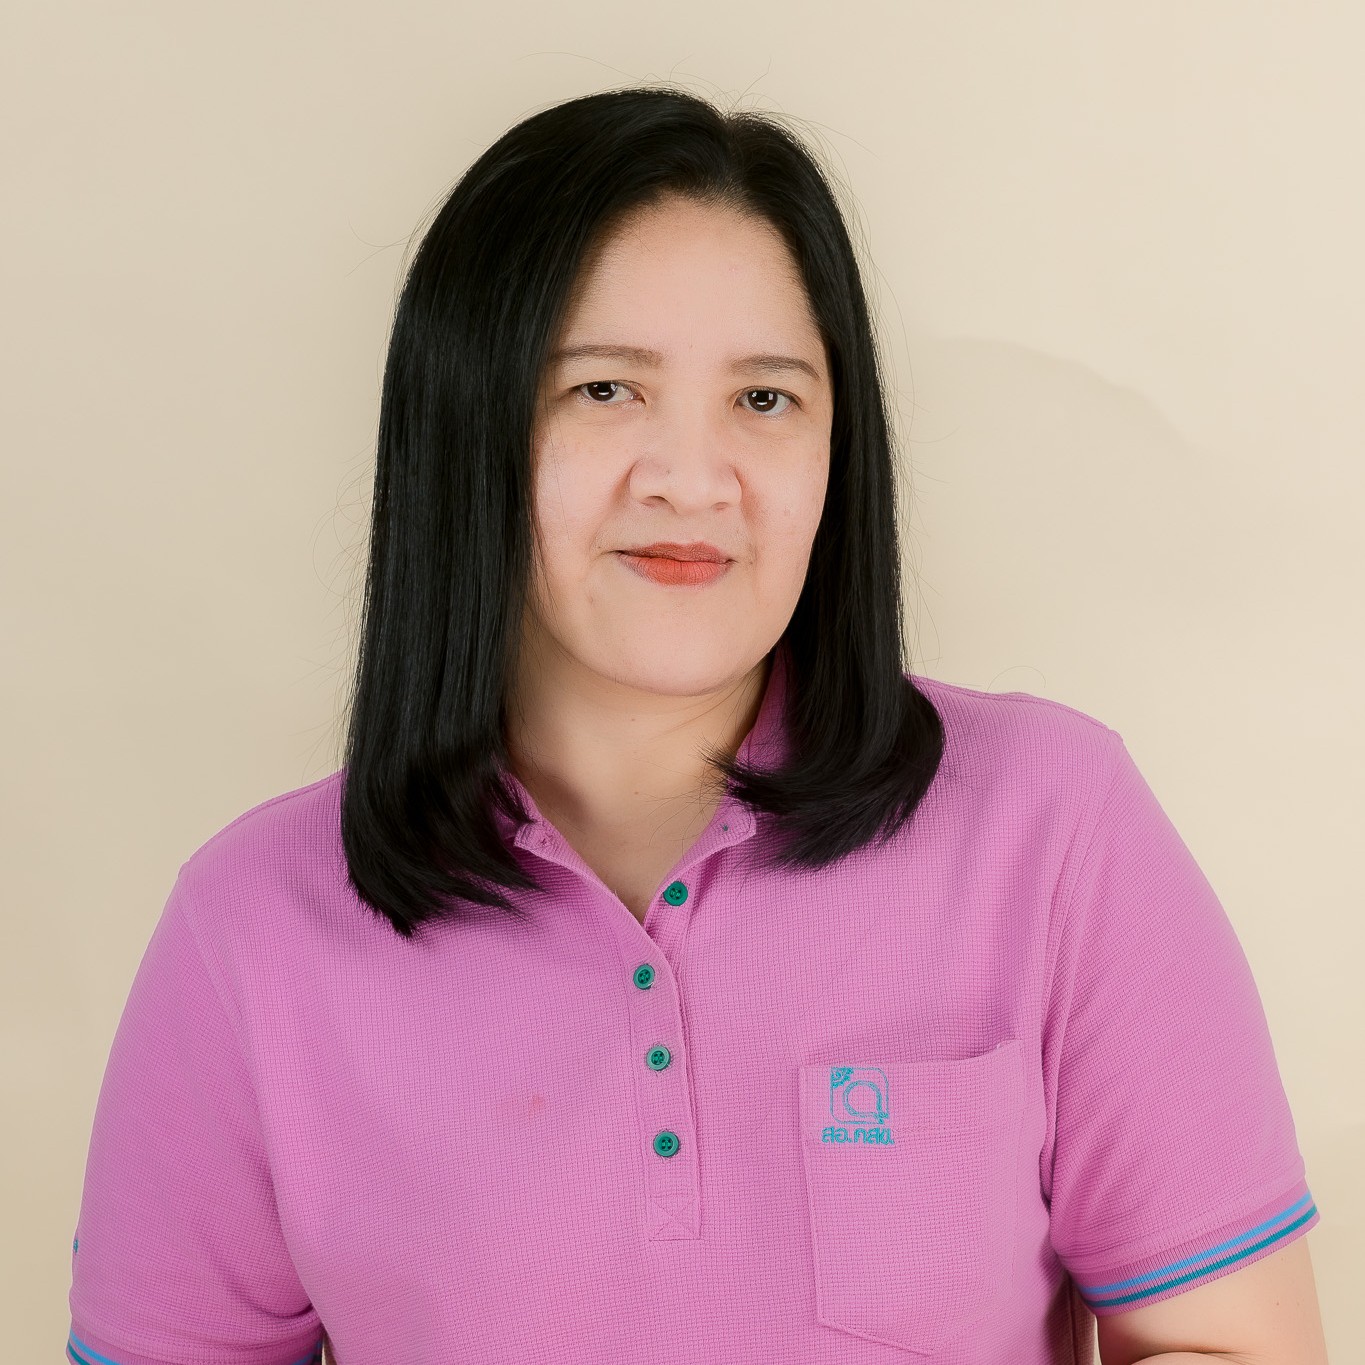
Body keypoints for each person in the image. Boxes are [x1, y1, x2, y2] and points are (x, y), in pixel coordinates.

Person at [65, 86, 1327, 1365]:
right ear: (465, 428)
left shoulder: (1053, 829)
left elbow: (1237, 1346)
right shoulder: (248, 934)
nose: (692, 478)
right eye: (606, 389)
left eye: (765, 400)